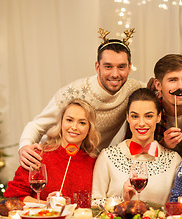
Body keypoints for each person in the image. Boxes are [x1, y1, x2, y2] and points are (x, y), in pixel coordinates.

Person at [19, 28, 143, 170]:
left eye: (121, 67)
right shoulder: (73, 92)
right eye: (108, 67)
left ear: (129, 68)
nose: (115, 74)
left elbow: (159, 88)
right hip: (55, 162)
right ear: (97, 67)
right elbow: (37, 125)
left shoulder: (134, 88)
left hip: (90, 164)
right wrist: (24, 147)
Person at [91, 88, 182, 206]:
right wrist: (122, 200)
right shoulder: (107, 157)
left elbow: (178, 205)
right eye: (135, 116)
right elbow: (94, 203)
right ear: (127, 117)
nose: (141, 123)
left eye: (148, 116)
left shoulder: (174, 160)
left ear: (158, 117)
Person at [4, 99, 100, 203]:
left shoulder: (94, 163)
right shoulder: (39, 155)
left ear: (89, 128)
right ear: (61, 122)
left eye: (82, 123)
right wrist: (48, 205)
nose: (74, 127)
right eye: (69, 120)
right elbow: (13, 196)